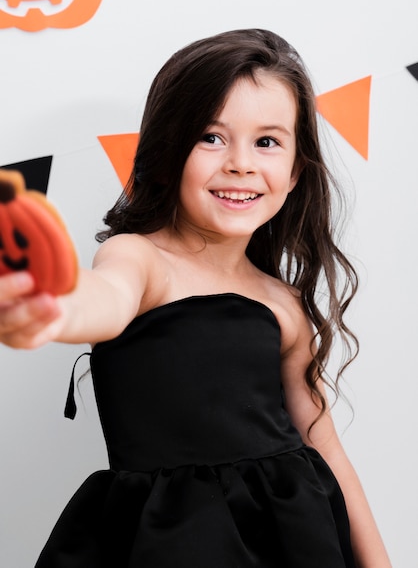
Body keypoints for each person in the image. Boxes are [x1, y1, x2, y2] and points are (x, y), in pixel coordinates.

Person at [0, 29, 391, 567]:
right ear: (165, 155)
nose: (239, 163)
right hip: (168, 543)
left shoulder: (281, 302)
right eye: (211, 137)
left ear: (296, 170)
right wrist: (50, 304)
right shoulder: (140, 258)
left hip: (292, 540)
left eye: (268, 142)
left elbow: (325, 447)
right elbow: (104, 301)